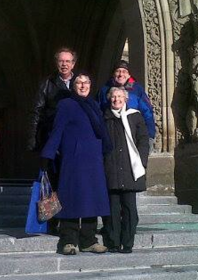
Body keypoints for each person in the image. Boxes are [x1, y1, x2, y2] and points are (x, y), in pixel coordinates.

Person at [40, 73, 111, 255]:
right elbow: (58, 130)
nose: (83, 85)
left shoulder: (94, 105)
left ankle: (89, 240)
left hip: (94, 159)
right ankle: (69, 240)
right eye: (79, 82)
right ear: (73, 86)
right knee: (71, 198)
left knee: (92, 199)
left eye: (86, 82)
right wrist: (48, 154)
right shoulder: (66, 104)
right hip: (73, 159)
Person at [103, 87, 149, 253]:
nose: (116, 100)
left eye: (120, 97)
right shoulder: (104, 117)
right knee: (112, 210)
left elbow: (143, 140)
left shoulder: (135, 116)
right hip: (111, 169)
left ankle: (128, 243)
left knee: (130, 209)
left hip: (130, 169)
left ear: (125, 99)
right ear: (110, 99)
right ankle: (114, 242)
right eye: (113, 97)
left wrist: (142, 162)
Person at [98, 60, 155, 152]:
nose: (121, 74)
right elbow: (99, 113)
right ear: (113, 74)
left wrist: (150, 136)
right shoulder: (104, 90)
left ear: (129, 75)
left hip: (134, 134)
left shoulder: (137, 90)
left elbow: (147, 113)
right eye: (118, 71)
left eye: (124, 71)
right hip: (112, 135)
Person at [27, 47, 78, 152]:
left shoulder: (81, 82)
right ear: (56, 63)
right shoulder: (47, 83)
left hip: (74, 134)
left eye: (68, 61)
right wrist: (32, 137)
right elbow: (36, 112)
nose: (64, 64)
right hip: (53, 134)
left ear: (73, 64)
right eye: (61, 61)